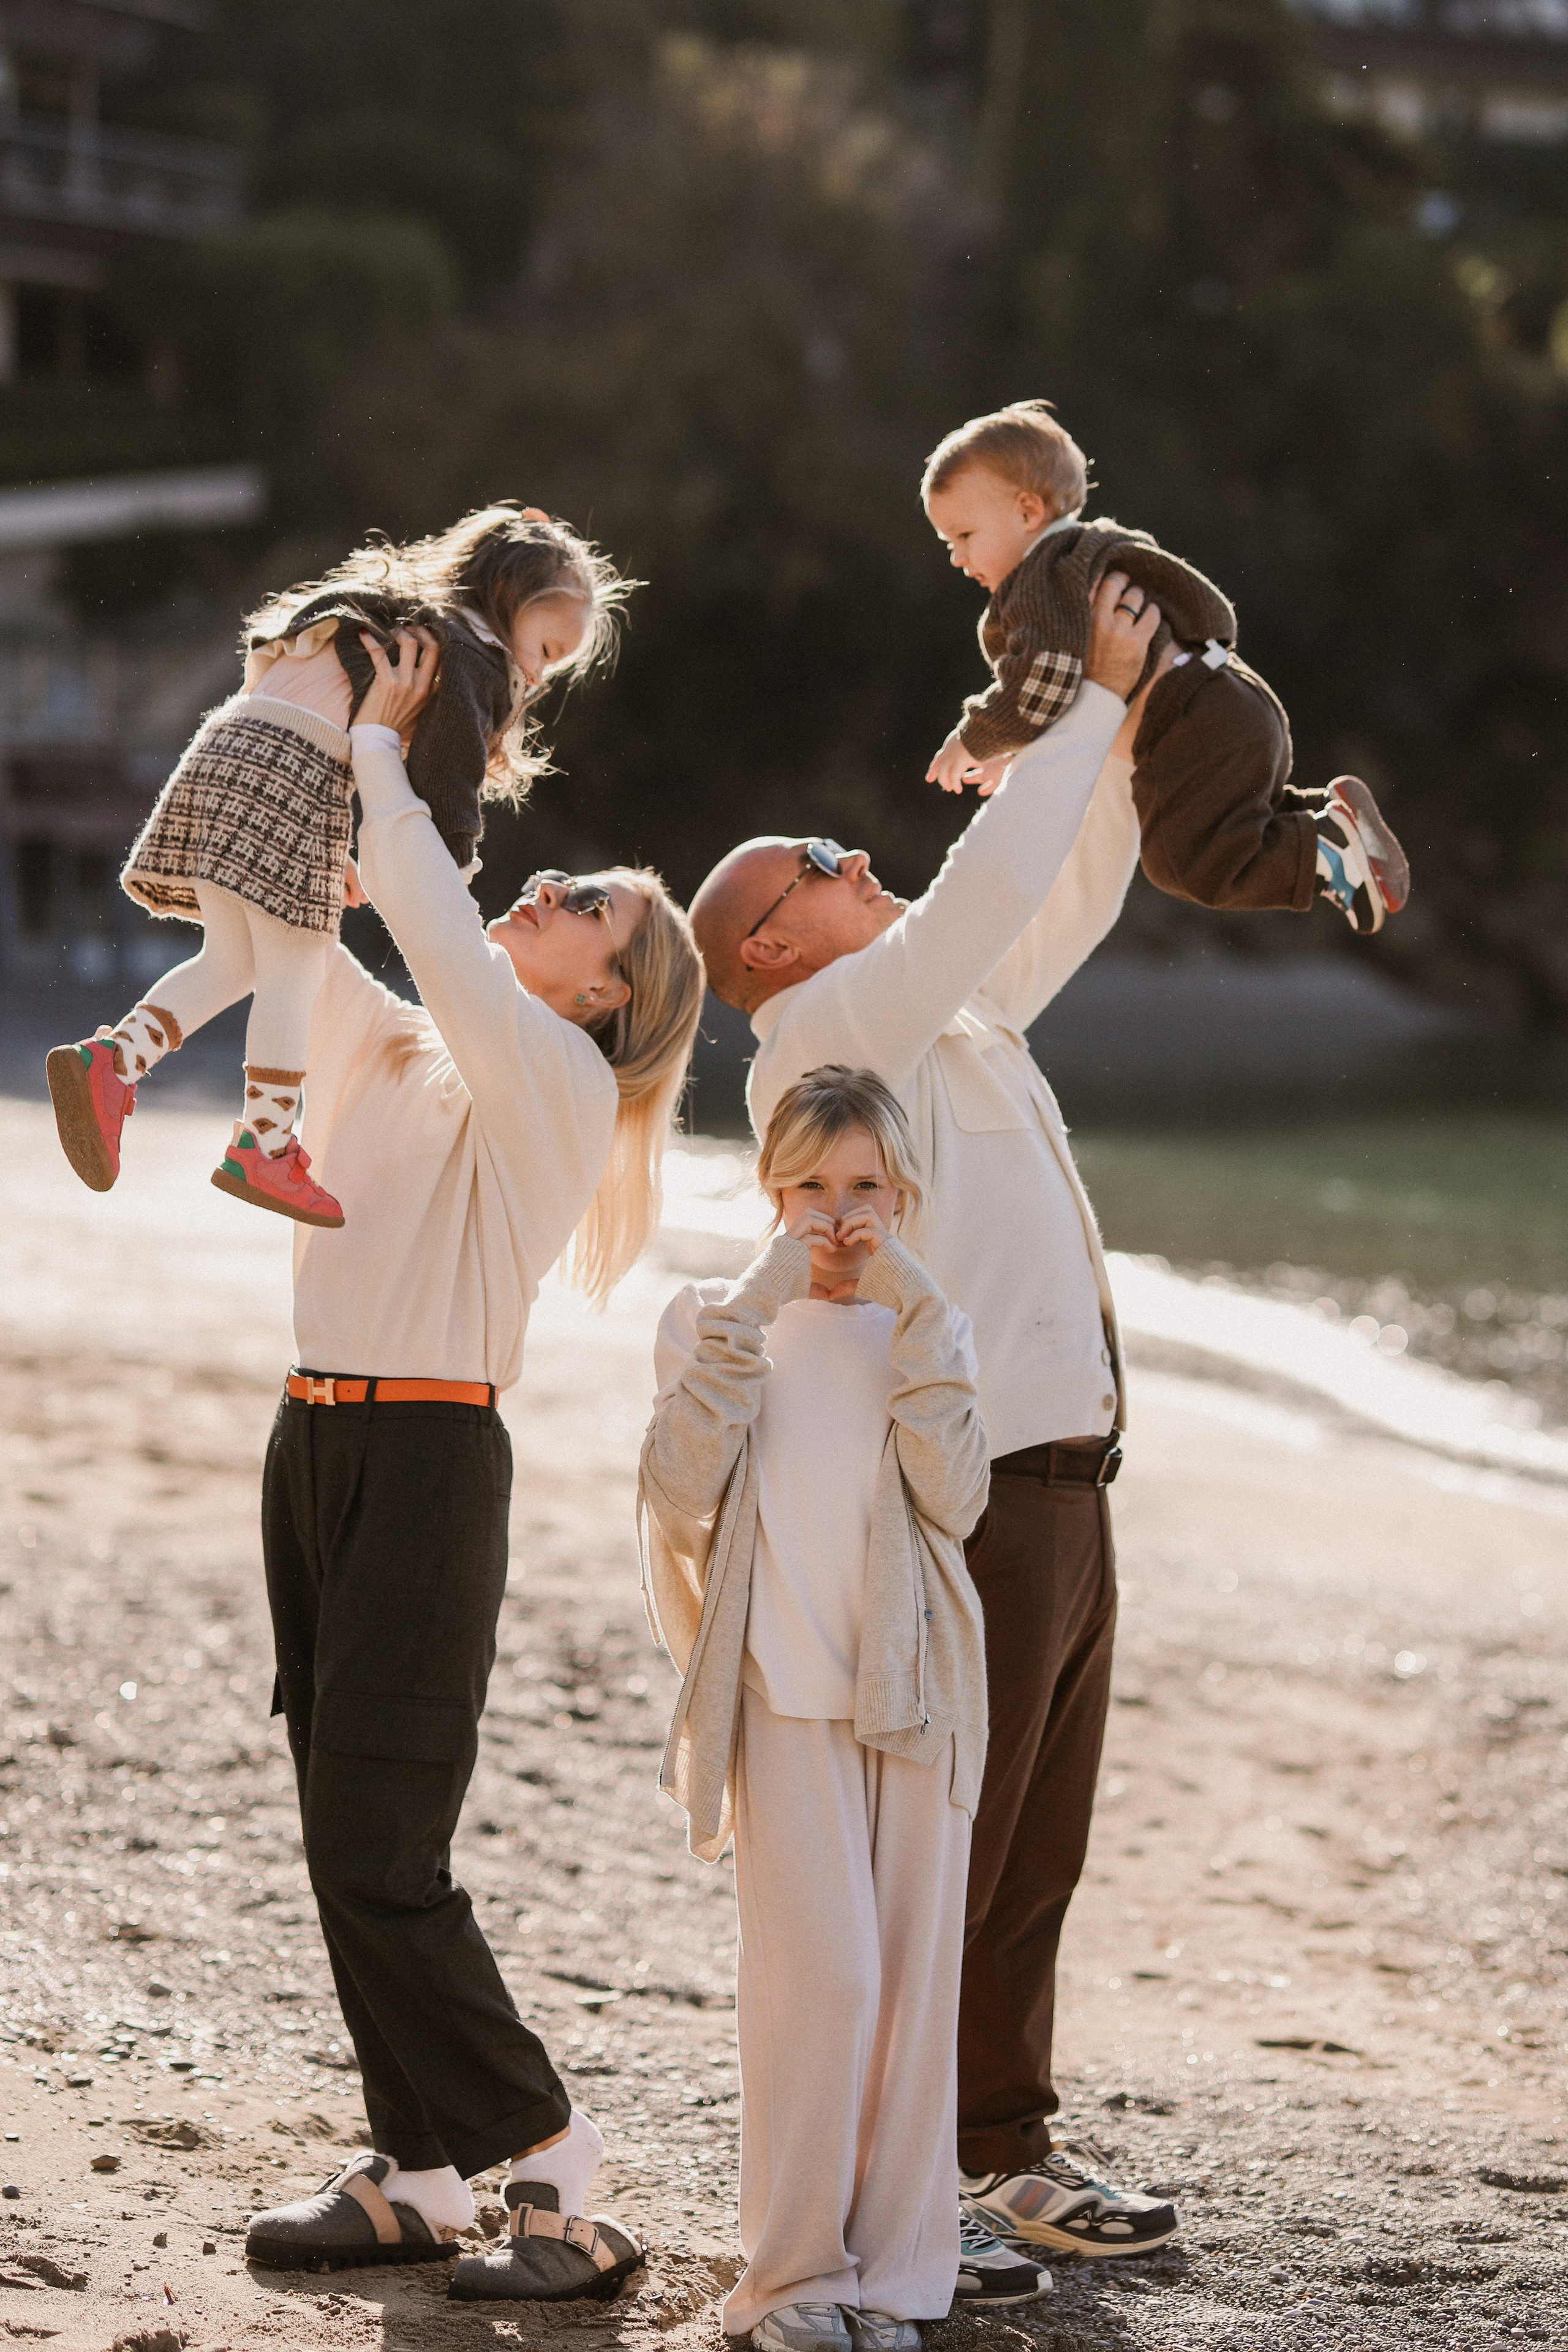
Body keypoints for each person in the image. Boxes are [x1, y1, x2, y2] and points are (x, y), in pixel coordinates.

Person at [688, 574, 1182, 2262]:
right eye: (814, 869)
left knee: (1036, 1844)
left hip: (1075, 1470)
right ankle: (915, 2176)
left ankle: (997, 2152)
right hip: (982, 1492)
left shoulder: (939, 1020)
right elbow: (978, 899)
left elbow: (1066, 885)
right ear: (771, 951)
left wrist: (1126, 720)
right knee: (954, 1852)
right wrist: (1088, 702)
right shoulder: (823, 1033)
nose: (847, 856)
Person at [238, 630, 705, 2301]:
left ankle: (564, 2182)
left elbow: (432, 925)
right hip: (315, 1442)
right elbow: (300, 938)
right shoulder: (422, 1048)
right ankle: (421, 2175)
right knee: (337, 1826)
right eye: (576, 882)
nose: (560, 888)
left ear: (606, 996)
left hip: (432, 1462)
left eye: (596, 910)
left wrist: (386, 743)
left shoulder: (557, 1080)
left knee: (385, 1849)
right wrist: (294, 717)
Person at [640, 1065, 1045, 2352]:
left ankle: (891, 2279)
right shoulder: (712, 1315)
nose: (836, 1214)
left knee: (910, 1994)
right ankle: (790, 2280)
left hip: (916, 1702)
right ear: (770, 1188)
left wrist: (915, 1307)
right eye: (809, 1184)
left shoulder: (930, 1327)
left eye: (863, 1185)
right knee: (825, 1987)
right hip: (779, 1697)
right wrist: (757, 1304)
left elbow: (957, 1500)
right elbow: (677, 1487)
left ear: (902, 1193)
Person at [45, 502, 624, 1227]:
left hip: (228, 742)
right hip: (295, 767)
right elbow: (447, 793)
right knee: (299, 964)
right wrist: (445, 884)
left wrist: (334, 848)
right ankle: (266, 1143)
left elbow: (283, 670)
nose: (539, 676)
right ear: (508, 602)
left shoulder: (382, 609)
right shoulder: (468, 655)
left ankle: (113, 1062)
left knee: (234, 958)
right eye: (545, 651)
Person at [922, 399, 1409, 936]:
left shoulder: (1043, 579)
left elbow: (1045, 676)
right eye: (948, 543)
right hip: (1230, 699)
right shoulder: (1091, 556)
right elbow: (1064, 687)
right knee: (1239, 824)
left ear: (1027, 513)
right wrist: (1015, 747)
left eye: (964, 536)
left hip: (1190, 726)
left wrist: (976, 738)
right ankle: (1331, 834)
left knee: (1186, 864)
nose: (955, 557)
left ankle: (1324, 852)